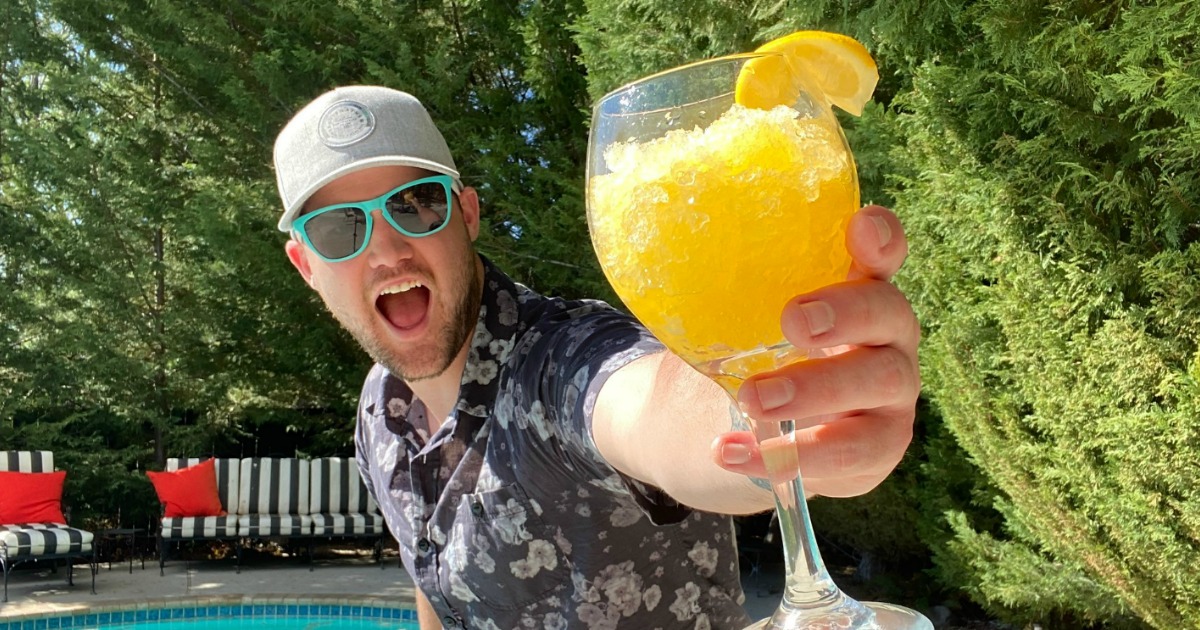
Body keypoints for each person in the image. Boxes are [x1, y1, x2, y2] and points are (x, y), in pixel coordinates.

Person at [274, 86, 920, 630]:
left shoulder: (563, 358)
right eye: (339, 229)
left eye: (417, 204)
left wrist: (789, 415)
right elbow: (433, 580)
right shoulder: (377, 408)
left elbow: (648, 404)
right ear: (305, 266)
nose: (388, 249)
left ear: (466, 214)